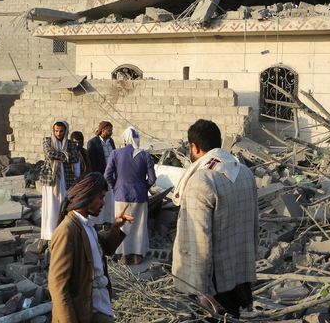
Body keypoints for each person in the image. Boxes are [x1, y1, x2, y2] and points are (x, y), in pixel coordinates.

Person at [172, 119, 258, 318]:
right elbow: (254, 225)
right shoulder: (244, 172)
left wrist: (201, 289)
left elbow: (200, 243)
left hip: (215, 282)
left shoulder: (201, 180)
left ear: (194, 147)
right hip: (239, 271)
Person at [48, 172, 134, 323]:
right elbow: (57, 286)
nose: (103, 203)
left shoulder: (86, 225)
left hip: (99, 306)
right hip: (85, 313)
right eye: (100, 197)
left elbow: (103, 248)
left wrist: (116, 227)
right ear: (87, 196)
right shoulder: (67, 231)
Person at [104, 127, 156, 265]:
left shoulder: (115, 153)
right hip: (140, 196)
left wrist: (116, 187)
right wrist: (143, 188)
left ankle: (124, 256)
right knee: (138, 226)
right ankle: (137, 255)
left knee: (122, 226)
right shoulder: (145, 155)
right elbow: (152, 179)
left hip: (121, 195)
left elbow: (107, 175)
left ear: (125, 139)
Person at [40, 121, 79, 241]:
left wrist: (60, 155)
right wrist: (64, 155)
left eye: (61, 131)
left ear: (65, 131)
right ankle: (50, 233)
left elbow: (75, 157)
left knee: (63, 204)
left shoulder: (71, 144)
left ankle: (62, 231)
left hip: (65, 179)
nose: (58, 133)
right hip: (50, 179)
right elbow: (49, 154)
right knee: (51, 205)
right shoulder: (47, 140)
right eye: (56, 131)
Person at [87, 122, 117, 226]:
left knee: (109, 198)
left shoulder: (111, 141)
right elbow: (91, 161)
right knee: (99, 198)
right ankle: (97, 221)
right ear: (102, 130)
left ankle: (108, 220)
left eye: (111, 130)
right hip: (99, 175)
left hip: (110, 175)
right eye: (109, 130)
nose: (111, 132)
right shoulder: (93, 142)